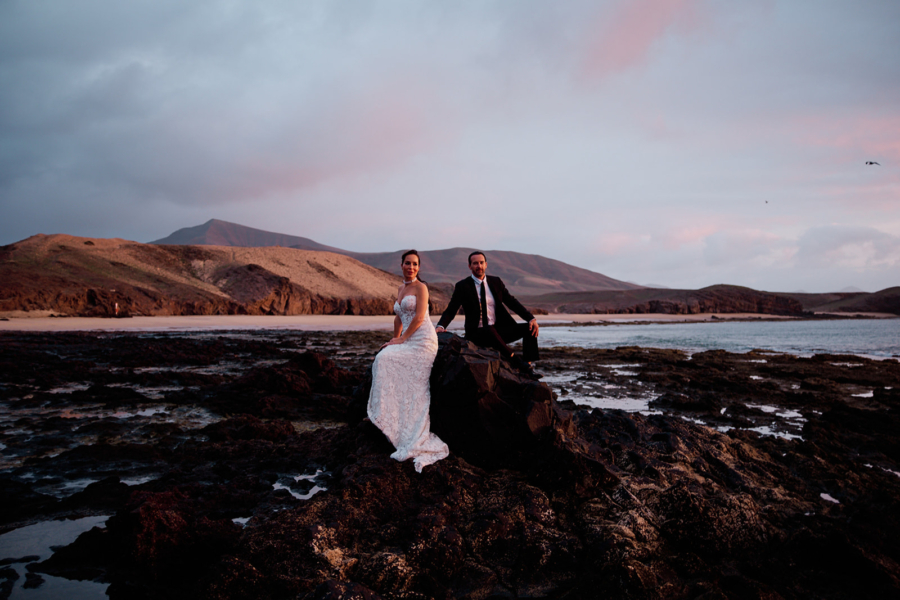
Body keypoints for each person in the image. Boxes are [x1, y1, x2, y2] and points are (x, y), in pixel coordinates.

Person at [367, 250, 449, 472]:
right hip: (407, 338)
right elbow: (399, 316)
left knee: (392, 366)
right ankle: (390, 418)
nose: (411, 267)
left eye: (414, 264)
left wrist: (403, 338)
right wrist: (396, 338)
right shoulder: (401, 288)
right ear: (401, 265)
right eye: (407, 263)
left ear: (419, 267)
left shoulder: (421, 288)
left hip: (423, 340)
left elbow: (420, 317)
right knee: (383, 358)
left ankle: (412, 432)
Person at [435, 251, 539, 373]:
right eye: (475, 263)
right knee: (488, 329)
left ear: (486, 264)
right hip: (476, 335)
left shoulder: (496, 282)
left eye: (481, 263)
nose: (479, 266)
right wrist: (441, 326)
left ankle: (528, 366)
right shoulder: (463, 286)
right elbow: (451, 309)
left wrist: (530, 318)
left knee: (530, 328)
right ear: (470, 266)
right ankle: (515, 360)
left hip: (498, 332)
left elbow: (512, 302)